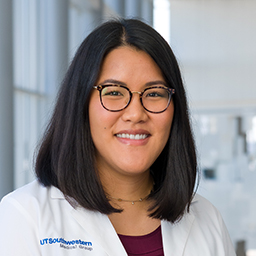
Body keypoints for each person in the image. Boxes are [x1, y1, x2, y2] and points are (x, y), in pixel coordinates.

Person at [0, 18, 236, 256]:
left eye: (154, 93)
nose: (135, 114)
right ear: (81, 105)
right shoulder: (25, 217)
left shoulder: (208, 221)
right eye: (113, 92)